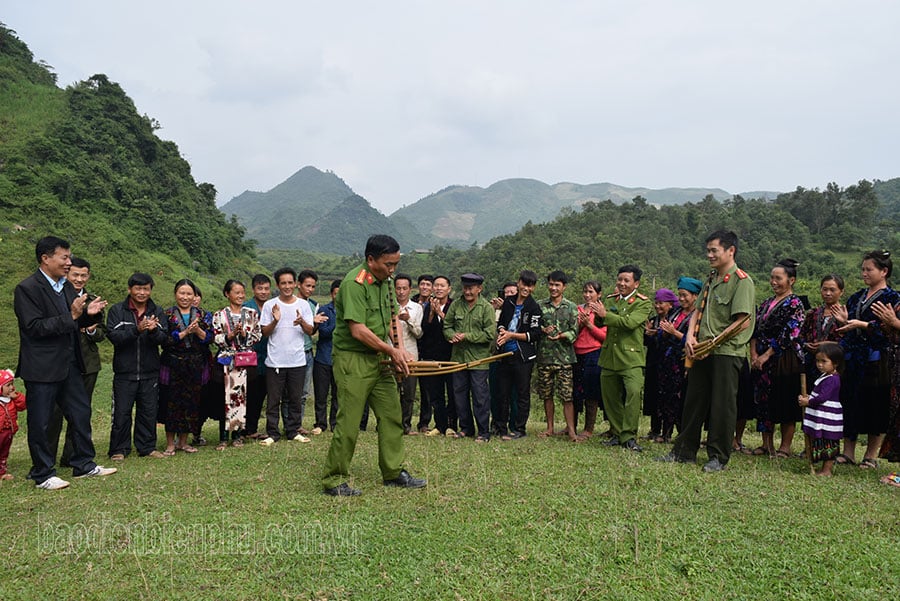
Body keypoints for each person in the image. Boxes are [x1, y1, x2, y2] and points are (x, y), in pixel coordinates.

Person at [321, 234, 426, 496]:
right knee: (350, 421)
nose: (392, 270)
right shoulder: (354, 284)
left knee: (392, 414)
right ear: (371, 260)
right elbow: (357, 330)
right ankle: (335, 479)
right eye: (388, 264)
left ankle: (393, 471)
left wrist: (400, 350)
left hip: (380, 356)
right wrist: (391, 350)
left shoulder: (386, 282)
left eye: (395, 264)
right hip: (353, 358)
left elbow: (393, 317)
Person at [14, 236, 116, 489]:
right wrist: (71, 315)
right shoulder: (27, 289)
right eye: (64, 257)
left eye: (69, 257)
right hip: (42, 367)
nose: (69, 263)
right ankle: (43, 474)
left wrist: (87, 315)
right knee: (42, 421)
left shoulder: (65, 286)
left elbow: (73, 323)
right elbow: (34, 327)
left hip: (69, 363)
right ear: (45, 258)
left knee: (81, 413)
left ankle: (83, 464)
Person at [657, 231, 755, 472]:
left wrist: (712, 344)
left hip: (726, 352)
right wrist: (691, 337)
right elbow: (697, 312)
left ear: (730, 251)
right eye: (708, 250)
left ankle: (718, 456)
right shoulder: (711, 278)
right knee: (693, 401)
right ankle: (684, 451)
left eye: (714, 250)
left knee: (722, 405)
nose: (709, 255)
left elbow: (742, 321)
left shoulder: (742, 281)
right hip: (700, 350)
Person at [834, 250, 899, 468]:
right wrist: (844, 321)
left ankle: (871, 455)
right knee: (850, 400)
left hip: (877, 358)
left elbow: (890, 330)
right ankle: (848, 452)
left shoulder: (892, 298)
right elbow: (848, 328)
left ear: (884, 271)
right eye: (862, 269)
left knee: (875, 402)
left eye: (869, 269)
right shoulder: (856, 297)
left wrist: (864, 325)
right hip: (853, 357)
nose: (864, 273)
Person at [47, 256, 106, 468]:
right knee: (53, 414)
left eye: (83, 275)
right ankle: (46, 460)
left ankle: (72, 458)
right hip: (58, 363)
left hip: (87, 363)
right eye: (75, 275)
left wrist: (90, 329)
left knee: (80, 413)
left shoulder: (93, 300)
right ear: (67, 274)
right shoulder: (55, 297)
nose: (79, 279)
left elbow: (102, 332)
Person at [106, 272, 169, 461]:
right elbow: (114, 337)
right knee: (121, 413)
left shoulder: (157, 311)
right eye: (138, 288)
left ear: (150, 290)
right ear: (130, 289)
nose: (142, 292)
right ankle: (119, 449)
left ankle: (147, 447)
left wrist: (153, 331)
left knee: (148, 412)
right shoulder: (118, 311)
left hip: (150, 371)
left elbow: (164, 339)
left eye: (146, 289)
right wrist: (137, 329)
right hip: (125, 372)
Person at [749, 259, 806, 458]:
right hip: (761, 360)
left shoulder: (795, 304)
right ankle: (766, 444)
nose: (774, 282)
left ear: (791, 280)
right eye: (772, 277)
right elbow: (754, 329)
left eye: (778, 278)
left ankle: (785, 447)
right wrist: (754, 354)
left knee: (785, 402)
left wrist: (767, 355)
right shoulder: (766, 303)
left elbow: (790, 333)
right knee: (764, 402)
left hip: (784, 360)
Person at [595, 265, 653, 451]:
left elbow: (629, 323)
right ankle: (618, 433)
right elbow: (601, 321)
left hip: (630, 358)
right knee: (610, 398)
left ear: (636, 283)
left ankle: (629, 436)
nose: (621, 283)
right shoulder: (612, 299)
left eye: (626, 280)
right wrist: (597, 315)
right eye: (619, 279)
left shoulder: (643, 303)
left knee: (633, 394)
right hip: (609, 357)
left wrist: (605, 315)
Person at [258, 267, 315, 446]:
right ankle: (272, 433)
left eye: (290, 282)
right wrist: (275, 320)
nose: (287, 286)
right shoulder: (270, 305)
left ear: (296, 284)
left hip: (297, 360)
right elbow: (264, 333)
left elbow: (311, 331)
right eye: (283, 283)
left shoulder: (303, 305)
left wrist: (302, 322)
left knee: (295, 399)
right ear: (278, 285)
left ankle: (293, 431)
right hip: (275, 360)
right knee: (274, 400)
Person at [160, 279, 213, 456]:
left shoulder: (203, 314)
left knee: (191, 402)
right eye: (182, 293)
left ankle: (183, 441)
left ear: (194, 296)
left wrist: (197, 331)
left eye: (189, 293)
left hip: (195, 364)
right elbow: (163, 340)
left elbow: (210, 339)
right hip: (173, 363)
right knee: (172, 403)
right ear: (175, 294)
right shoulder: (166, 314)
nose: (185, 297)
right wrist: (183, 333)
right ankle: (170, 443)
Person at [444, 273, 495, 441]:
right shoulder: (456, 305)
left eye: (471, 288)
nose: (467, 292)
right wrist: (452, 335)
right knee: (459, 395)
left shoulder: (486, 307)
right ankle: (466, 428)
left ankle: (483, 432)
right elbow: (447, 325)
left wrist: (466, 336)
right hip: (458, 359)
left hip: (478, 361)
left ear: (479, 289)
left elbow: (489, 334)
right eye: (465, 288)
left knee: (480, 397)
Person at [212, 280, 262, 449]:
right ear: (227, 294)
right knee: (224, 399)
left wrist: (244, 334)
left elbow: (257, 335)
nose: (240, 296)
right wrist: (230, 335)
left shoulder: (252, 314)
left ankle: (239, 435)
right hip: (227, 362)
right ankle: (223, 437)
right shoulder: (219, 315)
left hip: (245, 362)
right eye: (236, 292)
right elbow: (216, 337)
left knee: (243, 398)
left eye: (242, 292)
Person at [494, 271, 541, 440]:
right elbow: (501, 324)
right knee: (502, 392)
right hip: (505, 353)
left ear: (533, 287)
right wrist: (502, 333)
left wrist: (511, 335)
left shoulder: (534, 307)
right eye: (524, 284)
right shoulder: (509, 302)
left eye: (530, 285)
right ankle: (501, 427)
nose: (526, 288)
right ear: (518, 283)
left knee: (522, 393)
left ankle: (520, 429)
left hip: (523, 356)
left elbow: (534, 334)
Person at [655, 278, 701, 443]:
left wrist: (675, 333)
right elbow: (663, 333)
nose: (681, 299)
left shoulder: (699, 316)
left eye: (685, 296)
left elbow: (696, 341)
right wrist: (665, 333)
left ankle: (683, 433)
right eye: (679, 295)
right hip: (668, 360)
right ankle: (665, 432)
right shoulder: (675, 312)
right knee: (666, 396)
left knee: (683, 398)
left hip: (685, 361)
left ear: (695, 296)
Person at [536, 270, 580, 441]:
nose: (553, 288)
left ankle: (571, 430)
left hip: (565, 359)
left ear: (564, 287)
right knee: (547, 395)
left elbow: (574, 332)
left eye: (557, 285)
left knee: (567, 396)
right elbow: (533, 328)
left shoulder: (571, 307)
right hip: (544, 357)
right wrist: (542, 330)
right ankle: (549, 428)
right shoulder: (539, 306)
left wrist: (561, 335)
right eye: (551, 284)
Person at [798, 342, 844, 477]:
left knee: (828, 441)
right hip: (821, 416)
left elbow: (822, 397)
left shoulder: (833, 379)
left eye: (824, 361)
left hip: (828, 418)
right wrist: (806, 397)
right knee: (821, 440)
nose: (819, 364)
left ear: (835, 363)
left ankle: (827, 470)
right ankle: (819, 464)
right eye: (817, 361)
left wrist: (809, 401)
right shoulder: (824, 376)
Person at [419, 276, 457, 436]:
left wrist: (440, 313)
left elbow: (454, 327)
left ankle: (452, 425)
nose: (439, 288)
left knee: (453, 392)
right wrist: (432, 313)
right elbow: (424, 329)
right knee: (435, 393)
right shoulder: (428, 305)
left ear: (449, 289)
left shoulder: (454, 306)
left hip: (451, 355)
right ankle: (439, 425)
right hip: (432, 355)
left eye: (442, 286)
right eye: (436, 286)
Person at [294, 270, 329, 433]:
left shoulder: (314, 305)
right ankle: (289, 425)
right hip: (291, 352)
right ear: (298, 285)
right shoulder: (290, 302)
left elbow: (313, 332)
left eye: (313, 286)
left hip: (307, 351)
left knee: (303, 392)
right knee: (289, 394)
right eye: (307, 285)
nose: (310, 289)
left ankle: (298, 425)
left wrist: (314, 323)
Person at [642, 288, 678, 441]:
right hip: (653, 362)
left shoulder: (674, 320)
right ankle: (654, 430)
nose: (658, 306)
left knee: (667, 397)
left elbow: (673, 340)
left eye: (661, 303)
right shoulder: (653, 319)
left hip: (669, 363)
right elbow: (647, 342)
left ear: (670, 304)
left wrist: (662, 334)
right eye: (656, 303)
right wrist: (648, 333)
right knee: (653, 395)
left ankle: (667, 432)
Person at [573, 280, 606, 438]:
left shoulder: (602, 312)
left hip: (594, 353)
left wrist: (589, 325)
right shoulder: (577, 309)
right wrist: (580, 324)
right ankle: (571, 426)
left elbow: (604, 337)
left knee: (591, 392)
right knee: (575, 391)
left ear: (599, 294)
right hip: (576, 353)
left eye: (591, 292)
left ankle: (588, 429)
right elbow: (572, 334)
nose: (587, 295)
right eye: (585, 291)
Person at [242, 274, 272, 439]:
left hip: (268, 356)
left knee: (261, 394)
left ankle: (252, 428)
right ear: (253, 289)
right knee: (248, 394)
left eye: (266, 288)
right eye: (260, 288)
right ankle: (245, 429)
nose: (263, 292)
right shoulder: (247, 308)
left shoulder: (272, 306)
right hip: (249, 357)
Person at [394, 274, 424, 435]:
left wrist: (408, 320)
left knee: (409, 393)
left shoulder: (417, 308)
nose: (401, 292)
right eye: (398, 288)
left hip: (411, 355)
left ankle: (406, 425)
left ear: (410, 289)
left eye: (404, 288)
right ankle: (388, 424)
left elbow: (419, 333)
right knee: (390, 392)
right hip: (391, 354)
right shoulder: (389, 306)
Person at [313, 280, 340, 434]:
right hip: (323, 358)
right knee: (321, 394)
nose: (338, 296)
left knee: (338, 395)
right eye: (336, 293)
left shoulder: (349, 310)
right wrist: (339, 324)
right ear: (331, 294)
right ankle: (320, 424)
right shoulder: (324, 309)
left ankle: (335, 424)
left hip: (340, 359)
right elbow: (323, 332)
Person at [0, 370, 27, 481]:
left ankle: (1, 472)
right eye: (8, 385)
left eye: (12, 384)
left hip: (8, 433)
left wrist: (16, 397)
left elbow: (23, 405)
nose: (12, 387)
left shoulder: (12, 400)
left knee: (4, 453)